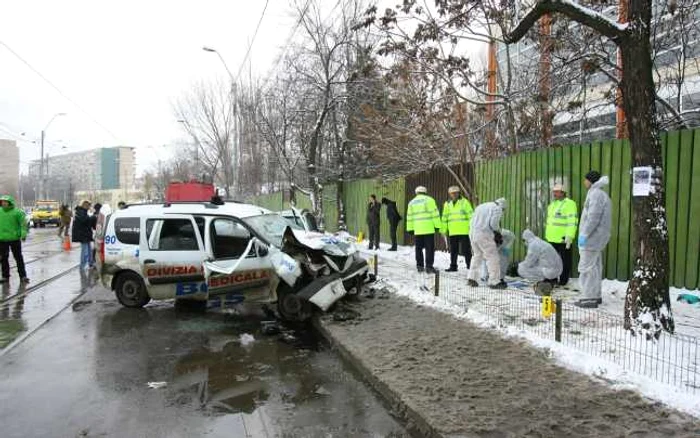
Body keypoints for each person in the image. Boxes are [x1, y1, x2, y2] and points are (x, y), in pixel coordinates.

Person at [576, 171, 612, 308]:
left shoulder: (596, 194)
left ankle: (588, 298)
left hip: (591, 239)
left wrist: (584, 234)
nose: (584, 182)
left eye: (585, 179)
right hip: (596, 239)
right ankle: (595, 295)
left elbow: (593, 218)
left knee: (586, 268)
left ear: (591, 181)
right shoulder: (599, 194)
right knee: (595, 267)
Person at [468, 198, 508, 289]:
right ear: (502, 206)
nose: (503, 212)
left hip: (472, 233)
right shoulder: (497, 208)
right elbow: (493, 224)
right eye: (504, 210)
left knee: (477, 255)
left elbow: (472, 220)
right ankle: (494, 281)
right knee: (493, 256)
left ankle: (472, 278)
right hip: (484, 234)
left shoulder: (481, 206)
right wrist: (498, 232)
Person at [545, 183, 578, 285]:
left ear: (563, 192)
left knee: (564, 261)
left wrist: (569, 236)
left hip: (563, 239)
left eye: (556, 191)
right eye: (553, 191)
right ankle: (552, 278)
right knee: (551, 261)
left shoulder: (570, 204)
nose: (554, 193)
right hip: (551, 238)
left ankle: (563, 280)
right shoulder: (552, 204)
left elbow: (572, 221)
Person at [405, 186, 441, 273]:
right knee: (429, 249)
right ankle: (429, 267)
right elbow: (435, 214)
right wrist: (437, 226)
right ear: (425, 192)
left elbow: (409, 217)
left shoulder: (411, 203)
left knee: (418, 248)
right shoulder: (430, 200)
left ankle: (419, 266)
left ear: (416, 192)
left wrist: (410, 229)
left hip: (418, 229)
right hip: (428, 229)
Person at [441, 186, 474, 272]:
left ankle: (470, 266)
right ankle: (453, 266)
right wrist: (443, 230)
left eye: (456, 193)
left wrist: (472, 228)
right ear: (449, 194)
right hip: (453, 231)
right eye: (452, 193)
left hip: (464, 231)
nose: (454, 194)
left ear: (459, 193)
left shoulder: (465, 203)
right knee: (453, 250)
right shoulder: (447, 204)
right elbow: (444, 218)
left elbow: (471, 216)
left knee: (466, 250)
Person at [0, 195, 29, 284]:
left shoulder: (17, 212)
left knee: (18, 257)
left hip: (14, 239)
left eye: (5, 202)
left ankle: (23, 276)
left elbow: (23, 224)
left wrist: (23, 234)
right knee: (3, 258)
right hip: (2, 239)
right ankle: (5, 276)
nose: (3, 203)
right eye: (2, 202)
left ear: (10, 203)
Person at [72, 200, 97, 270]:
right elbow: (84, 220)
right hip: (83, 235)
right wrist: (92, 216)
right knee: (85, 251)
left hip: (86, 235)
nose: (89, 207)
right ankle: (82, 266)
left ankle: (91, 264)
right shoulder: (80, 212)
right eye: (88, 205)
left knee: (89, 250)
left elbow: (87, 222)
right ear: (84, 205)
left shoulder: (83, 212)